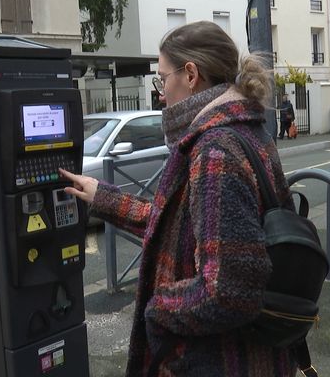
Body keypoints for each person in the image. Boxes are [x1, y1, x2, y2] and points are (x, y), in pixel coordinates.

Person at [60, 21, 297, 376]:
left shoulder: (216, 148)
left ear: (190, 74)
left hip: (220, 360)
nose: (160, 91)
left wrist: (158, 310)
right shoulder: (245, 130)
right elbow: (175, 224)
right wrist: (101, 197)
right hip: (254, 355)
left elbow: (229, 292)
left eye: (161, 78)